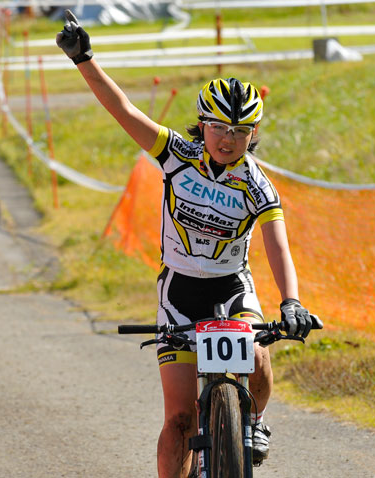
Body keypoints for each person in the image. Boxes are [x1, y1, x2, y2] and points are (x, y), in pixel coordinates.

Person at [56, 10, 321, 478]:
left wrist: (292, 301)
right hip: (179, 291)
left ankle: (253, 420)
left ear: (253, 135)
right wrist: (84, 59)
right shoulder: (177, 154)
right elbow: (124, 111)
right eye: (220, 127)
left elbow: (278, 245)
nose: (228, 139)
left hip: (231, 287)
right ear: (202, 124)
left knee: (258, 354)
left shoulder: (258, 185)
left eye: (240, 131)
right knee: (180, 420)